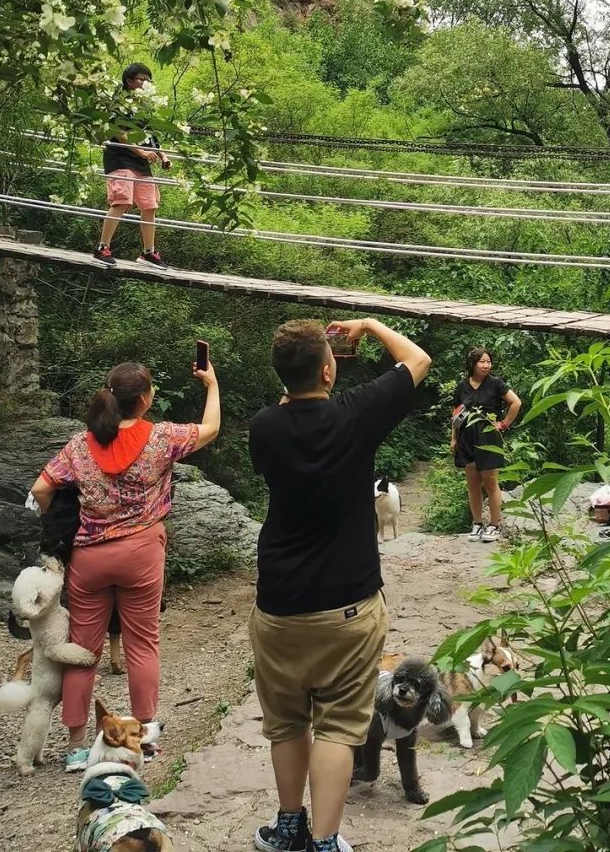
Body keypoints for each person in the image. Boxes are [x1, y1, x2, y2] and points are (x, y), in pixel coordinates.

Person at [247, 316, 431, 852]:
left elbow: (280, 449)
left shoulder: (264, 427)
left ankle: (288, 829)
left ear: (284, 377)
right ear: (329, 369)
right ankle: (325, 842)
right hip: (349, 605)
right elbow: (417, 360)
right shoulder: (356, 414)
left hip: (279, 604)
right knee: (338, 727)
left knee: (285, 722)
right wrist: (371, 326)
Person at [28, 356, 220, 772]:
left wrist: (61, 522)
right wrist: (210, 384)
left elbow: (42, 487)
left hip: (89, 558)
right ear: (146, 399)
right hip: (141, 553)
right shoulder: (162, 438)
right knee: (142, 642)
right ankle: (143, 735)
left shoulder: (81, 444)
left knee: (82, 649)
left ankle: (78, 746)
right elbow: (211, 429)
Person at [94, 63, 172, 269]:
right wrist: (140, 151)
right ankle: (102, 248)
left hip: (141, 162)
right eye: (141, 79)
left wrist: (163, 156)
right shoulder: (119, 102)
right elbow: (118, 131)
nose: (145, 83)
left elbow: (152, 135)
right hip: (120, 158)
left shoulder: (145, 107)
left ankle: (149, 253)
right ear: (129, 81)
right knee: (122, 200)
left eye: (148, 80)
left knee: (150, 205)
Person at [451, 347, 522, 542]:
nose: (486, 365)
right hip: (467, 437)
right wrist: (454, 437)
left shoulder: (496, 384)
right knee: (473, 484)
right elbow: (456, 413)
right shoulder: (462, 386)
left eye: (488, 361)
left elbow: (515, 403)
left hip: (489, 437)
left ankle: (495, 524)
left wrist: (503, 424)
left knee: (490, 482)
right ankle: (476, 523)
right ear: (472, 364)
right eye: (482, 361)